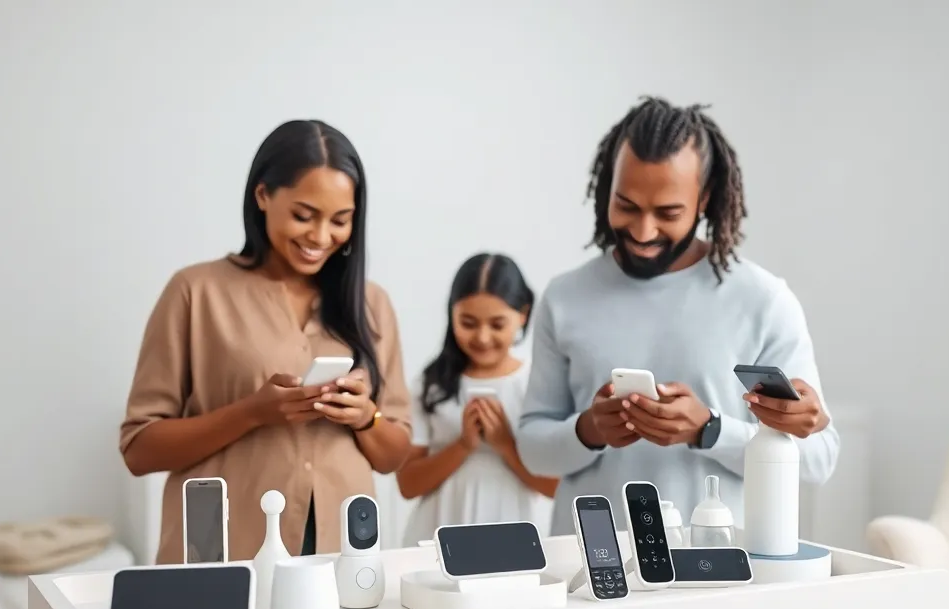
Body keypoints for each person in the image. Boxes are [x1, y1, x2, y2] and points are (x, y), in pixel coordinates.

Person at [517, 96, 840, 534]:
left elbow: (818, 460)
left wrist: (708, 430)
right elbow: (532, 450)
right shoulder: (565, 297)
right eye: (626, 205)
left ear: (704, 199)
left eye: (668, 213)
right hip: (590, 572)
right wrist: (590, 429)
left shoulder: (763, 300)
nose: (643, 231)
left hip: (717, 570)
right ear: (606, 187)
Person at [119, 119, 412, 563]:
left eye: (340, 220)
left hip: (341, 556)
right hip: (224, 549)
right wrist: (250, 413)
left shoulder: (372, 304)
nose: (320, 237)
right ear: (262, 196)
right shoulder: (195, 292)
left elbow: (394, 456)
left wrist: (365, 417)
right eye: (303, 215)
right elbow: (139, 449)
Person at [397, 253, 557, 545]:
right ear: (451, 314)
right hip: (437, 531)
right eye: (468, 323)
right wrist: (463, 445)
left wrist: (506, 445)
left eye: (497, 325)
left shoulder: (538, 382)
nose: (482, 338)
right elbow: (407, 484)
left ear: (522, 314)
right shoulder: (431, 383)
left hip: (515, 533)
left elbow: (555, 487)